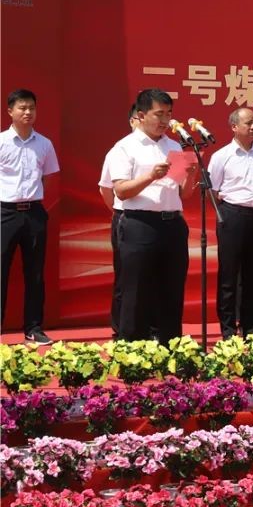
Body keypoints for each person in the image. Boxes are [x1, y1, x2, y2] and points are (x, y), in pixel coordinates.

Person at [108, 88, 198, 342]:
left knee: (171, 288)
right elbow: (121, 190)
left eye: (168, 114)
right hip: (139, 224)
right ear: (141, 115)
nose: (164, 120)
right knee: (136, 291)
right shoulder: (125, 147)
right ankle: (132, 349)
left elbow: (183, 193)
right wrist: (150, 176)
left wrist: (191, 174)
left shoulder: (174, 146)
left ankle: (170, 346)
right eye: (159, 114)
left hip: (172, 224)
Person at [1, 89, 60, 344]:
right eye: (22, 108)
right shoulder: (2, 142)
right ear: (10, 111)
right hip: (5, 212)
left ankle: (33, 328)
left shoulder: (44, 144)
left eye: (32, 108)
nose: (28, 112)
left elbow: (48, 178)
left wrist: (34, 201)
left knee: (35, 273)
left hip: (34, 212)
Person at [208, 107, 253, 338]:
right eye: (248, 124)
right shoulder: (222, 156)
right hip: (232, 215)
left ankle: (251, 326)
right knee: (229, 275)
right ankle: (227, 328)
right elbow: (213, 191)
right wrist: (227, 213)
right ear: (234, 127)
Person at [98, 105, 139, 339]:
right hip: (124, 217)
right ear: (134, 120)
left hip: (153, 220)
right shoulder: (120, 149)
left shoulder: (165, 147)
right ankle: (120, 328)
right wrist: (117, 210)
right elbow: (106, 188)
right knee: (125, 276)